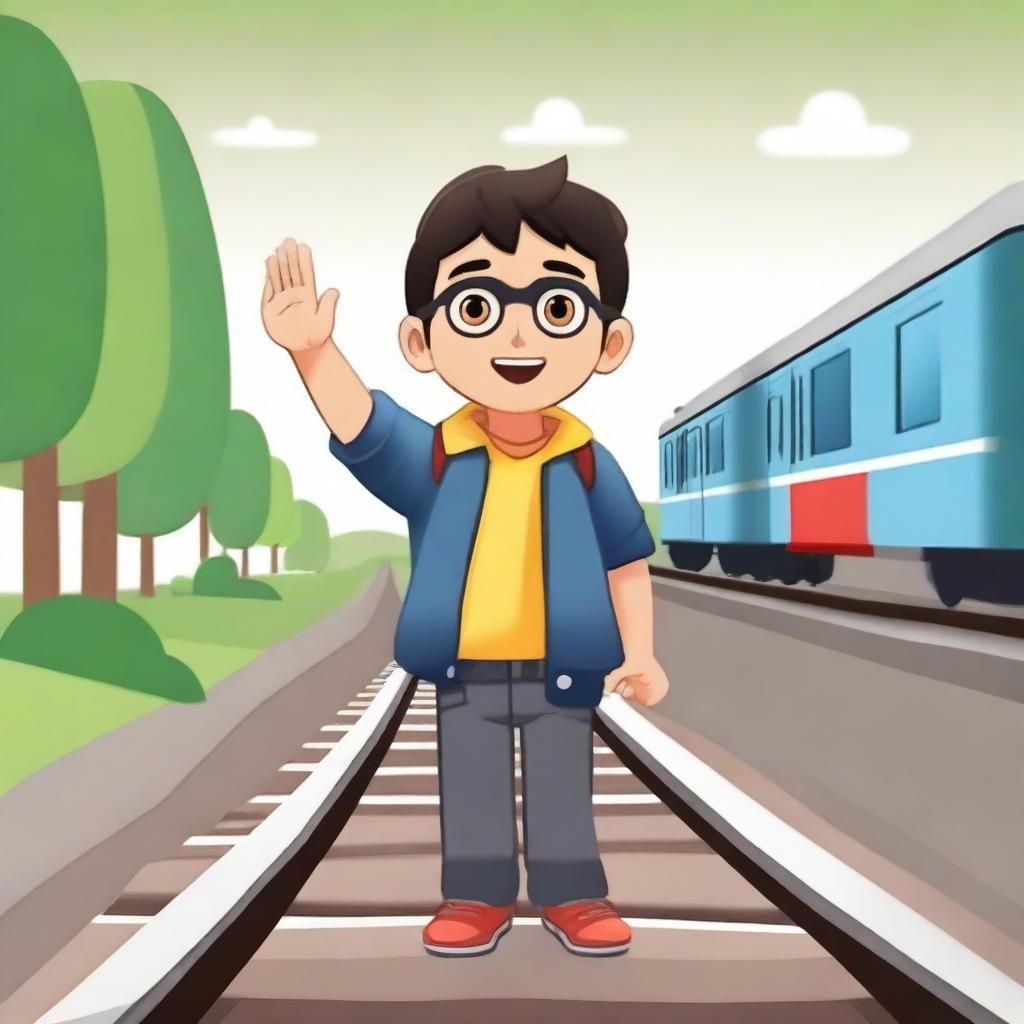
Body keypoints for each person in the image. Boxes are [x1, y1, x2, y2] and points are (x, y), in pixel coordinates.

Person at [260, 156, 670, 958]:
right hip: (465, 668)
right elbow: (362, 425)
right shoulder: (437, 455)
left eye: (557, 305)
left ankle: (574, 894)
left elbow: (627, 561)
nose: (518, 334)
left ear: (609, 341)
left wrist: (643, 650)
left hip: (565, 666)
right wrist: (311, 355)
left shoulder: (589, 461)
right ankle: (476, 896)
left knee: (562, 784)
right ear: (420, 339)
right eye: (478, 305)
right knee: (472, 782)